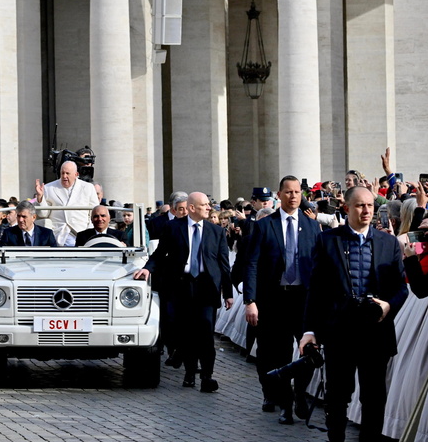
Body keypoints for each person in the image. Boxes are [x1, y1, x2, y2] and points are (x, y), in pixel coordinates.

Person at [299, 186, 408, 442]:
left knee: (374, 398)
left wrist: (387, 305)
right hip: (339, 333)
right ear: (346, 208)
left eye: (370, 205)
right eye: (360, 206)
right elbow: (316, 289)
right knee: (337, 396)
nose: (367, 211)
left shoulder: (388, 244)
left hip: (376, 332)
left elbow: (401, 288)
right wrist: (309, 331)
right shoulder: (328, 241)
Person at [243, 175, 322, 424]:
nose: (294, 196)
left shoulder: (312, 226)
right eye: (288, 192)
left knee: (308, 351)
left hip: (304, 300)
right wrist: (250, 300)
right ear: (279, 195)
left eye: (297, 192)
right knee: (276, 355)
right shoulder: (266, 225)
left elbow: (319, 265)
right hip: (274, 299)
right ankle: (285, 404)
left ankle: (300, 392)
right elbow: (252, 263)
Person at [136, 192, 233, 392]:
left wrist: (228, 292)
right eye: (204, 205)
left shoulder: (216, 232)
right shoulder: (173, 228)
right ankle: (190, 373)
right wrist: (147, 268)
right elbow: (160, 254)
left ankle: (207, 376)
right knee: (187, 332)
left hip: (207, 286)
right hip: (182, 286)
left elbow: (224, 264)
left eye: (208, 204)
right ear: (191, 208)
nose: (209, 208)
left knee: (206, 332)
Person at [34, 161, 98, 246]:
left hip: (81, 233)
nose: (64, 176)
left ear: (76, 174)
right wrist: (40, 197)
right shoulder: (49, 188)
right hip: (58, 234)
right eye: (62, 173)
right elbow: (43, 214)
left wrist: (89, 232)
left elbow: (95, 212)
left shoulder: (88, 188)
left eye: (67, 173)